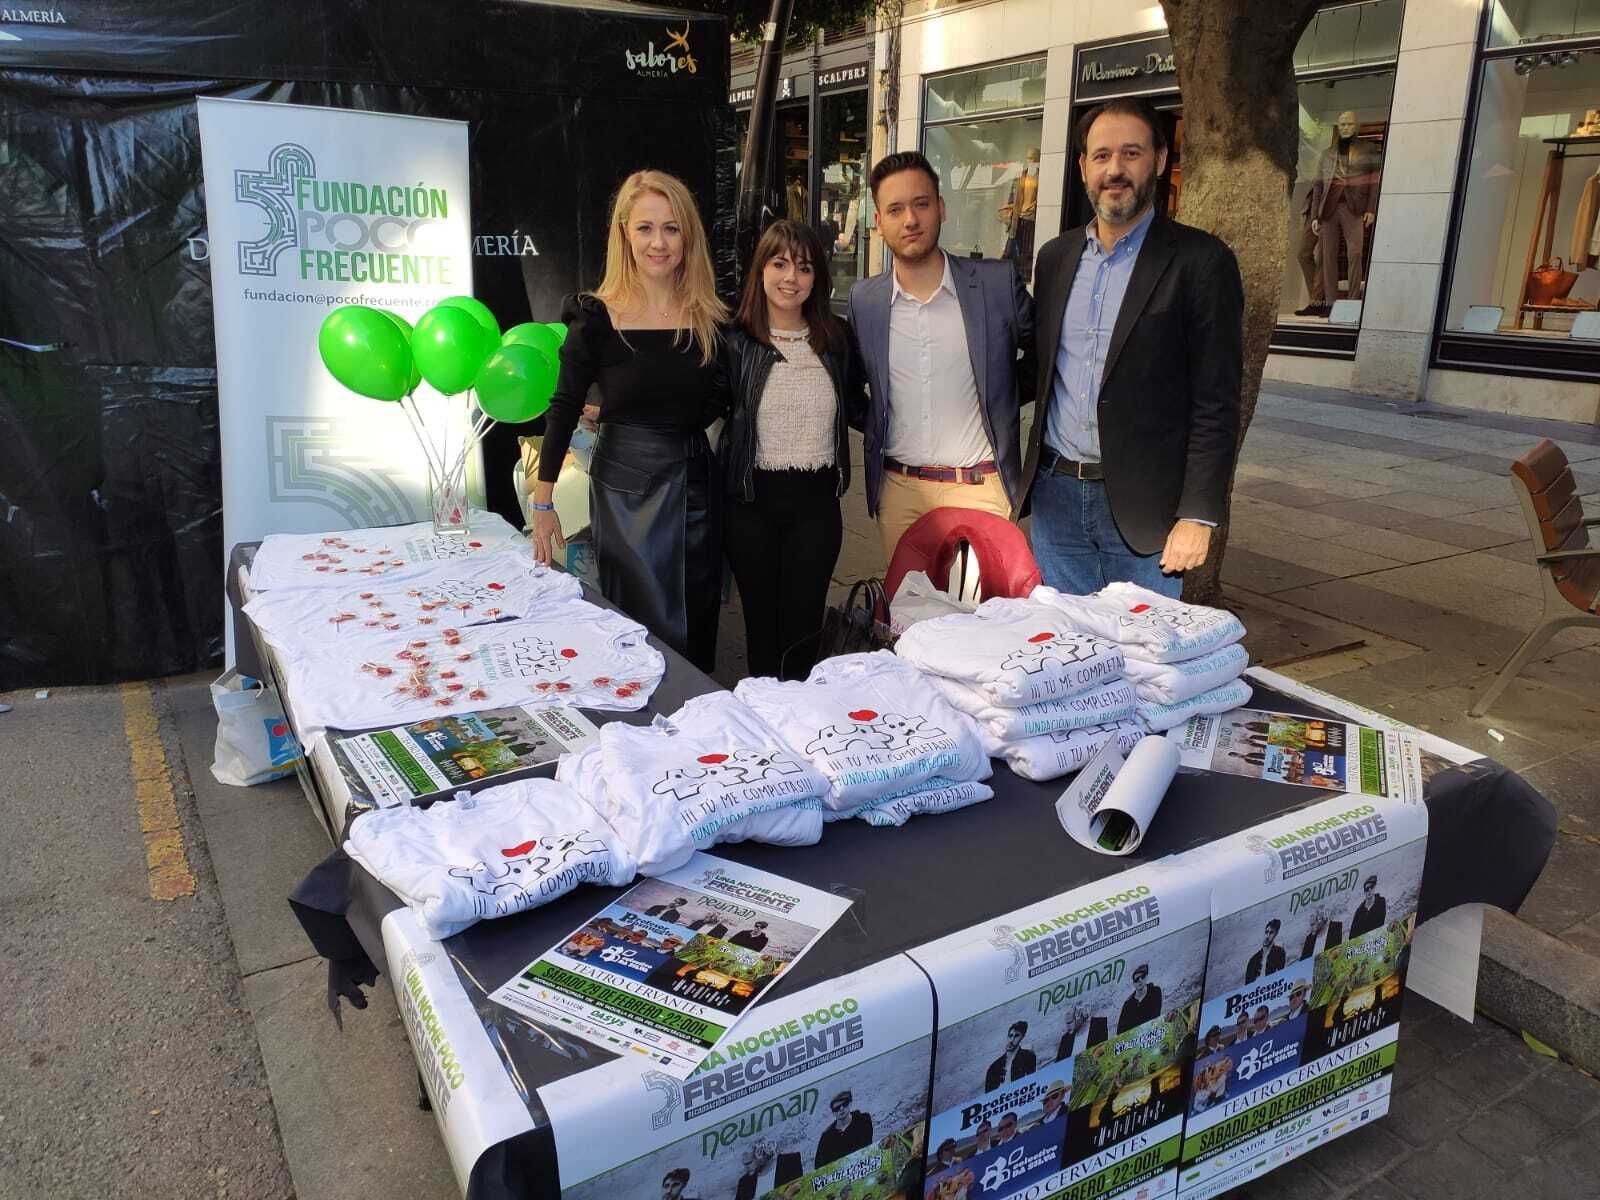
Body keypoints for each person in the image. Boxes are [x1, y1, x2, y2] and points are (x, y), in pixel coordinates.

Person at [1021, 97, 1243, 598]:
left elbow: (1217, 402)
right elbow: (1038, 369)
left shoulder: (1201, 262)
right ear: (1082, 167)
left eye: (1131, 153)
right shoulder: (1055, 259)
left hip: (1148, 514)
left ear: (1160, 161)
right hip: (1057, 502)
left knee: (1141, 667)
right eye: (1101, 156)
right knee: (1069, 656)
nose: (1114, 169)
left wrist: (1198, 515)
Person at [531, 169, 729, 672]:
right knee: (638, 628)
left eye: (671, 228)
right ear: (624, 233)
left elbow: (718, 398)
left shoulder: (708, 314)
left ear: (688, 235)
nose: (658, 242)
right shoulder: (596, 315)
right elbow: (564, 404)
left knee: (697, 614)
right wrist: (544, 498)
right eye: (645, 228)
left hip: (695, 485)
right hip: (625, 490)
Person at [846, 150, 1037, 561]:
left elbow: (1044, 357)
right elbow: (850, 385)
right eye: (895, 209)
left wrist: (999, 397)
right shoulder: (866, 301)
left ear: (941, 208)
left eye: (921, 204)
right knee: (908, 621)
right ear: (878, 223)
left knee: (984, 622)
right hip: (900, 493)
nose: (910, 219)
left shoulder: (995, 285)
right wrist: (881, 420)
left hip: (981, 490)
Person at [721, 220, 866, 679]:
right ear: (760, 271)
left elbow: (861, 407)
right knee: (761, 630)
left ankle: (803, 727)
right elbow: (698, 402)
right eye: (779, 263)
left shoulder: (837, 338)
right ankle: (764, 725)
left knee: (804, 630)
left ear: (817, 277)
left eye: (803, 268)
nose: (791, 278)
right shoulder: (736, 340)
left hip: (816, 508)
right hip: (751, 506)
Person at [1312, 112, 1380, 307]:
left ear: (1356, 126)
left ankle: (1351, 302)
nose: (1345, 128)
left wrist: (1371, 208)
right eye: (1342, 125)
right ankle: (1331, 304)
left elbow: (1374, 180)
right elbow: (1318, 184)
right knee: (1328, 256)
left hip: (1354, 207)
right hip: (1329, 208)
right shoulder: (1327, 153)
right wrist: (1316, 215)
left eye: (1349, 124)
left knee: (1355, 253)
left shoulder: (1368, 148)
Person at [815, 1090, 873, 1168]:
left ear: (850, 1103)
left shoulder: (863, 1119)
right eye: (837, 1108)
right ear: (833, 1112)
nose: (841, 1109)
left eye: (844, 1104)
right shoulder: (826, 1137)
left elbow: (866, 1144)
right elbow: (819, 1166)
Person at [734, 1138, 803, 1200]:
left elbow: (801, 1188)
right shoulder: (744, 1182)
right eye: (745, 1164)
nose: (746, 1167)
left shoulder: (790, 1161)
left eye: (749, 1163)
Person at [985, 1021, 1038, 1092]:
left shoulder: (1028, 1056)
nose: (1011, 1040)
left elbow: (1032, 1083)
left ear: (1022, 1037)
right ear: (1007, 1036)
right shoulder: (994, 1067)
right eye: (1010, 1036)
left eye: (1016, 1036)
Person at [1117, 963, 1163, 1033]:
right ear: (1134, 983)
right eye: (1136, 979)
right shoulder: (1128, 1005)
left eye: (1142, 976)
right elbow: (1120, 1030)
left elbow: (1156, 1014)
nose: (1140, 980)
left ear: (1146, 977)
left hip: (1152, 1032)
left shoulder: (1155, 991)